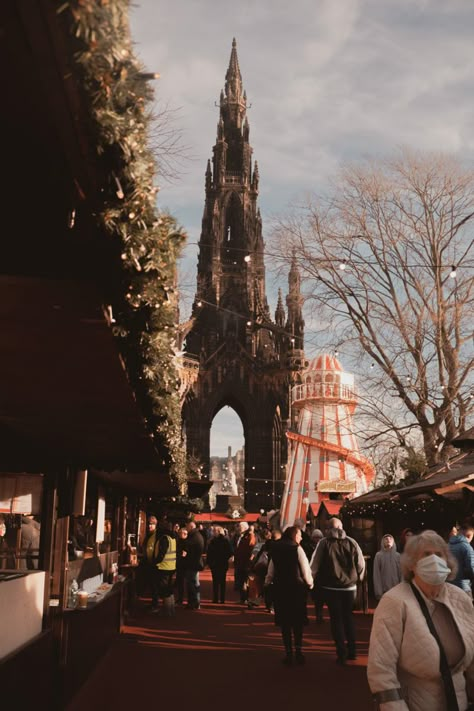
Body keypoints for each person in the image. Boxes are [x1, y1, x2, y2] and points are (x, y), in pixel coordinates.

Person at [368, 530, 474, 711]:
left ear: (447, 560)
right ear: (411, 564)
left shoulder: (460, 598)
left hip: (459, 702)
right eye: (426, 554)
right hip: (415, 704)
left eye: (439, 554)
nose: (434, 560)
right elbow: (381, 668)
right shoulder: (394, 602)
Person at [310, 517, 365, 664]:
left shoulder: (323, 543)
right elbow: (361, 563)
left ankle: (341, 653)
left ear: (328, 528)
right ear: (341, 527)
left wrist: (311, 581)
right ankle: (352, 650)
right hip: (349, 586)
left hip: (330, 586)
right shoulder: (352, 542)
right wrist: (358, 578)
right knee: (348, 617)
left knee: (336, 619)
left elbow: (314, 564)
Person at [265, 525, 313, 666]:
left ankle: (288, 652)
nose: (301, 537)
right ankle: (298, 651)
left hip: (280, 589)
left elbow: (271, 569)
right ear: (293, 535)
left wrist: (267, 583)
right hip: (296, 589)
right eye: (299, 535)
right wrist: (310, 584)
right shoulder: (297, 549)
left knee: (285, 623)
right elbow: (305, 569)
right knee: (297, 622)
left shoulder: (276, 548)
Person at [142, 515, 177, 614]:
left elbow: (161, 554)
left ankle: (168, 611)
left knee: (164, 590)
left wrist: (154, 563)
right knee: (168, 590)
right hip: (171, 566)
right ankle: (170, 609)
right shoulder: (172, 538)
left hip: (163, 566)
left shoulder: (164, 538)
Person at [206, 526, 233, 603]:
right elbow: (230, 552)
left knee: (217, 582)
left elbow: (209, 553)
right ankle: (220, 598)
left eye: (214, 531)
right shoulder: (223, 541)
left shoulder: (216, 541)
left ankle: (217, 598)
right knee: (220, 582)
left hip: (217, 563)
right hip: (220, 563)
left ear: (218, 532)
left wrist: (209, 562)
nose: (213, 532)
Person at [373, 534, 402, 602]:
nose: (388, 540)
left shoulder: (398, 556)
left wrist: (401, 589)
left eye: (390, 539)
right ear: (382, 541)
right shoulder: (378, 556)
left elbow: (401, 574)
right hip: (384, 590)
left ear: (393, 542)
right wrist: (378, 592)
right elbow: (376, 574)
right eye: (386, 539)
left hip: (396, 589)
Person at [233, 521, 256, 603]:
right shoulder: (241, 536)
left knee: (246, 582)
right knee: (241, 581)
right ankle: (243, 598)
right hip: (240, 562)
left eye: (240, 527)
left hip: (245, 563)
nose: (238, 528)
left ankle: (246, 599)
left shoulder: (250, 536)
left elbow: (250, 549)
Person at [183, 521, 205, 610]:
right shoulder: (196, 535)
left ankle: (194, 602)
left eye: (187, 527)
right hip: (194, 562)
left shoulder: (194, 536)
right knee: (195, 583)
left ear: (191, 527)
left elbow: (187, 546)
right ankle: (196, 602)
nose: (186, 529)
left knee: (191, 583)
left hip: (193, 563)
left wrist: (184, 540)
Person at [448, 524, 474, 596]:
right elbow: (471, 568)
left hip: (448, 585)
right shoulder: (467, 547)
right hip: (462, 586)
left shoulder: (447, 545)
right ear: (469, 536)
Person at [309, 528, 325, 622]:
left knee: (321, 597)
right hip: (315, 575)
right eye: (315, 537)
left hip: (322, 575)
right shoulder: (309, 547)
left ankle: (320, 613)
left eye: (319, 537)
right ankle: (319, 614)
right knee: (317, 598)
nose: (317, 539)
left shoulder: (324, 546)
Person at [175, 527, 188, 605]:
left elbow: (184, 554)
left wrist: (179, 556)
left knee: (181, 582)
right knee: (180, 581)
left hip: (182, 564)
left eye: (180, 533)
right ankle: (180, 598)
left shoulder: (184, 542)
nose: (179, 535)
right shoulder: (180, 541)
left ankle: (180, 599)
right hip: (180, 564)